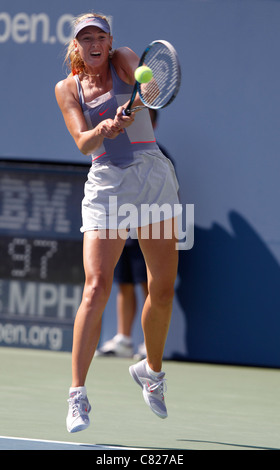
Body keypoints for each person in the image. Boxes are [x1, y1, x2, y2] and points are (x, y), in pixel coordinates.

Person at [55, 13, 181, 433]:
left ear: (110, 42)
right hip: (107, 182)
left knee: (162, 289)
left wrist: (141, 96)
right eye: (85, 38)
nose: (94, 43)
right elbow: (81, 141)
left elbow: (151, 89)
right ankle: (77, 394)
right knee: (96, 286)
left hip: (151, 175)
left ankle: (152, 371)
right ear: (76, 46)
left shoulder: (127, 58)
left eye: (100, 36)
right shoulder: (67, 89)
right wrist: (105, 129)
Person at [96, 110, 175, 360]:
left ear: (154, 123)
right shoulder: (117, 151)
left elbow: (169, 195)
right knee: (125, 285)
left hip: (149, 232)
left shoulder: (159, 155)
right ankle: (124, 339)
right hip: (122, 232)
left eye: (146, 119)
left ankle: (146, 344)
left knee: (149, 285)